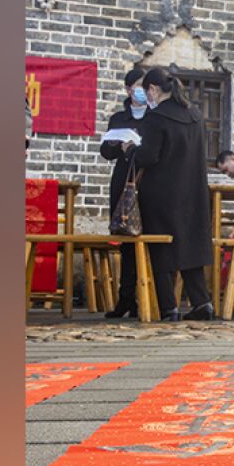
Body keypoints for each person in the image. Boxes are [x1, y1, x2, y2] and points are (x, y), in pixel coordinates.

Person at [128, 67, 215, 321]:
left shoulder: (156, 118)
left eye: (147, 91)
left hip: (162, 192)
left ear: (153, 90)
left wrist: (131, 148)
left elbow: (149, 156)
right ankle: (202, 303)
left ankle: (169, 308)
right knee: (190, 248)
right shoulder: (196, 115)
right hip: (194, 191)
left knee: (161, 248)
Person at [100, 66, 147, 318]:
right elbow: (105, 152)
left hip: (146, 179)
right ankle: (126, 298)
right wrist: (120, 145)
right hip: (123, 180)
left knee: (146, 237)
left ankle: (148, 297)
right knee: (126, 238)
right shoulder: (119, 118)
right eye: (137, 86)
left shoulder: (154, 116)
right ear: (128, 89)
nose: (141, 91)